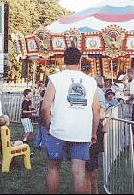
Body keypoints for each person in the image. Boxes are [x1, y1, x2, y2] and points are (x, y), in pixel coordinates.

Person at [42, 47, 101, 194]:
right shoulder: (90, 81)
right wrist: (94, 132)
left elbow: (45, 107)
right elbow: (96, 110)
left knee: (53, 168)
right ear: (80, 60)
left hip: (58, 130)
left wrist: (48, 124)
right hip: (81, 132)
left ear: (64, 59)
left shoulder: (55, 79)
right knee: (79, 172)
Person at [85, 76, 106, 194]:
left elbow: (99, 112)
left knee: (88, 166)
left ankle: (92, 190)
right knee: (92, 163)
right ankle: (96, 190)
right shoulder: (98, 92)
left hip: (92, 129)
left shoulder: (94, 92)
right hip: (95, 128)